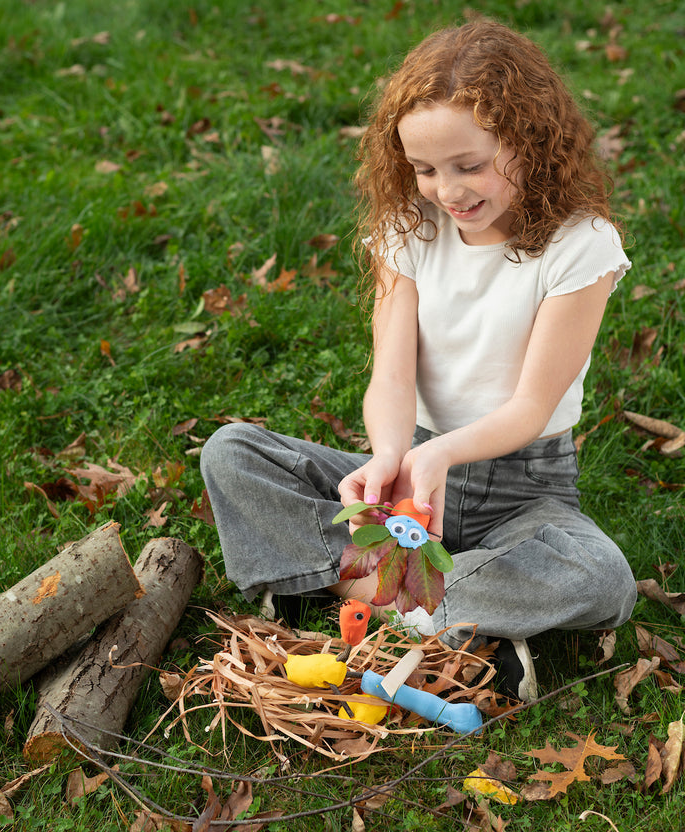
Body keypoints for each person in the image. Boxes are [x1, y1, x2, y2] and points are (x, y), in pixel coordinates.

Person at [200, 18, 637, 701]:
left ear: (529, 141)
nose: (447, 190)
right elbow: (392, 375)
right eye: (426, 170)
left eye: (469, 165)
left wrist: (437, 460)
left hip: (523, 491)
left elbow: (530, 406)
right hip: (411, 476)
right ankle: (451, 616)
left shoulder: (581, 246)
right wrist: (388, 458)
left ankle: (370, 590)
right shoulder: (411, 228)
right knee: (231, 453)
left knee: (599, 573)